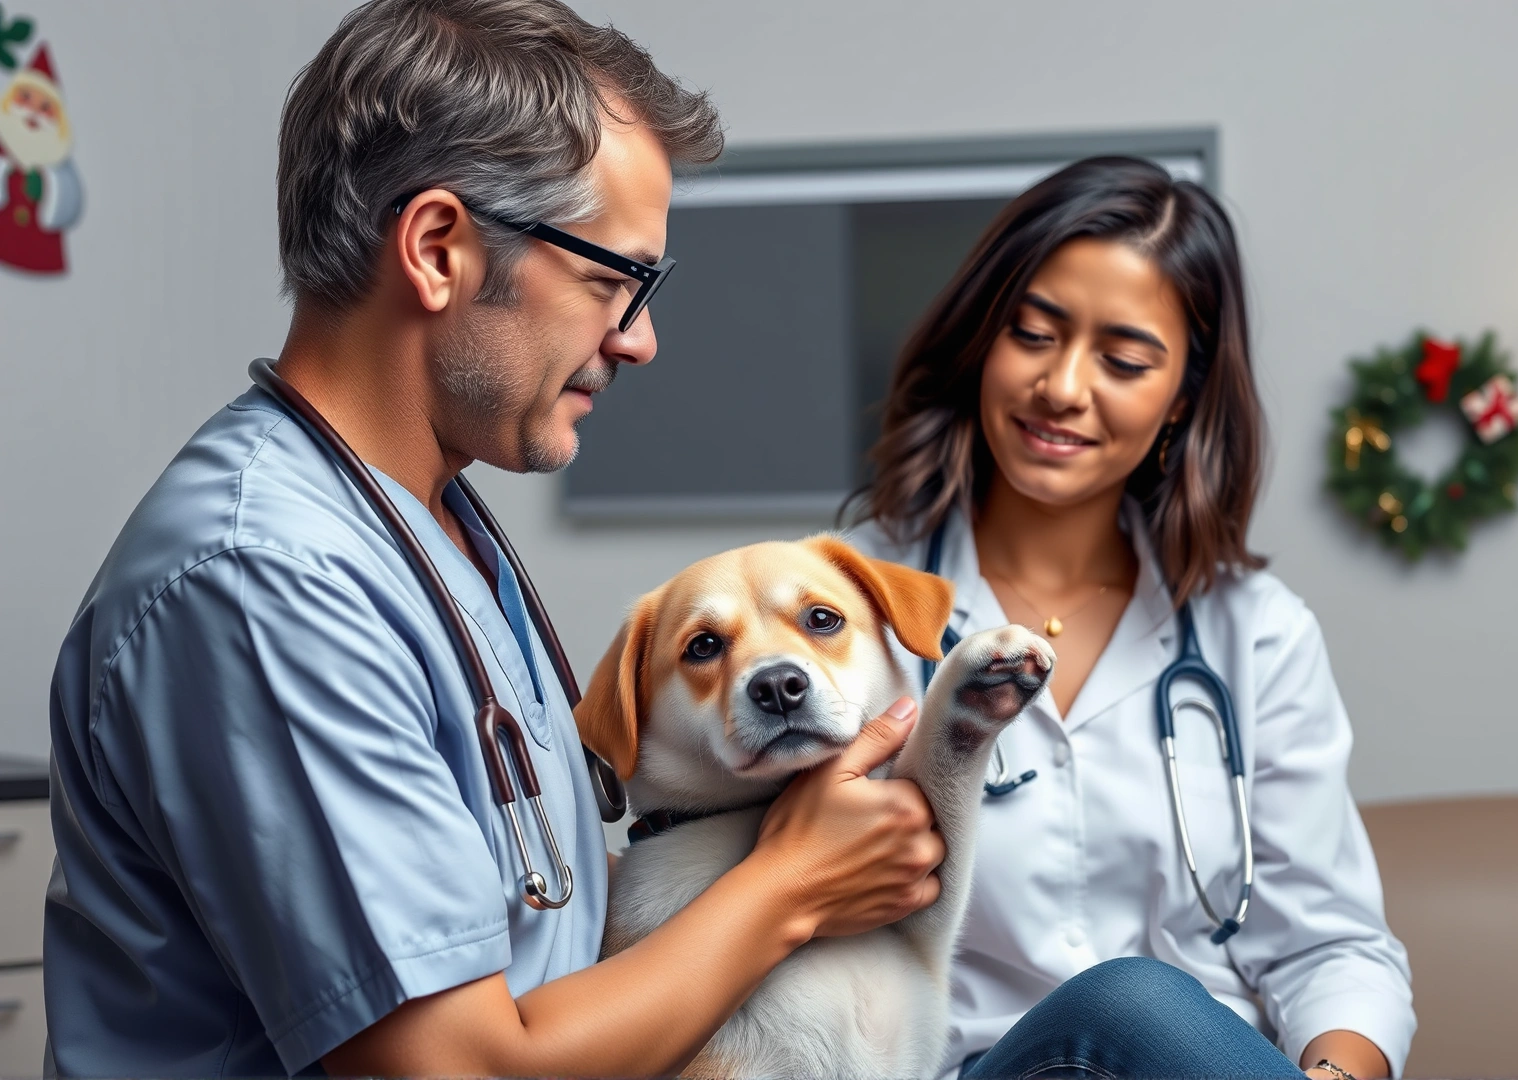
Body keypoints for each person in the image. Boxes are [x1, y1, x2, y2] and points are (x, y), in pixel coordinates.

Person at [42, 1, 947, 1075]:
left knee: (1124, 1019)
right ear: (437, 250)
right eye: (615, 280)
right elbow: (458, 1069)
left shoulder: (430, 525)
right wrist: (788, 886)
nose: (642, 338)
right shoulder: (265, 584)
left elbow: (534, 932)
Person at [846, 157, 1415, 1079]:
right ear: (982, 342)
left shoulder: (1255, 634)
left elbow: (1333, 950)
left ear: (1182, 396)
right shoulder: (848, 608)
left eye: (1123, 360)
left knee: (1158, 1011)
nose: (1064, 387)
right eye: (1033, 334)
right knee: (1129, 998)